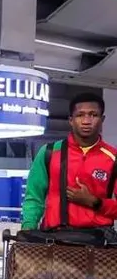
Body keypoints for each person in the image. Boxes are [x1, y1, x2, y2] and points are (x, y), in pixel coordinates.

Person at [22, 92, 117, 230]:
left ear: (102, 119)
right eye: (80, 115)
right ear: (71, 120)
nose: (86, 121)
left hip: (99, 242)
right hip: (55, 239)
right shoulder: (49, 152)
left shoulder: (113, 158)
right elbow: (34, 197)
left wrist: (94, 202)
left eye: (93, 115)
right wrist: (28, 229)